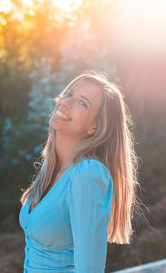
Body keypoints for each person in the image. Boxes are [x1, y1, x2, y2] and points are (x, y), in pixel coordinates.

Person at [19, 71, 140, 273]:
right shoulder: (51, 165)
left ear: (94, 126)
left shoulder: (88, 175)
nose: (65, 102)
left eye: (82, 103)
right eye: (69, 94)